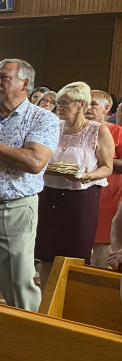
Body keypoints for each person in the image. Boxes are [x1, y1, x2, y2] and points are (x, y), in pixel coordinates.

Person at [0, 59, 59, 311]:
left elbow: (36, 162)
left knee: (18, 282)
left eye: (3, 77)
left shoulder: (42, 119)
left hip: (14, 207)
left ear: (24, 83)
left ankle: (30, 342)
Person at [35, 82, 112, 287]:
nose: (59, 106)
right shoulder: (54, 127)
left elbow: (107, 167)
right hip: (48, 194)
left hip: (81, 199)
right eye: (58, 102)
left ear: (81, 104)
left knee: (75, 254)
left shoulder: (98, 131)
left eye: (64, 102)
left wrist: (87, 176)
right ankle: (46, 304)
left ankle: (69, 305)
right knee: (46, 253)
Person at [89, 90, 122, 267]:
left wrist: (105, 160)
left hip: (109, 197)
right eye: (86, 102)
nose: (88, 107)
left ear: (106, 108)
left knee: (102, 254)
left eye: (93, 103)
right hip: (81, 194)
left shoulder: (117, 131)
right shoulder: (75, 129)